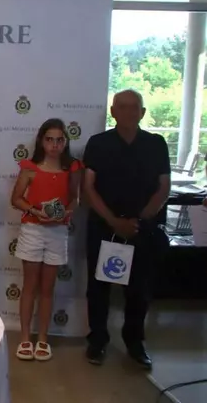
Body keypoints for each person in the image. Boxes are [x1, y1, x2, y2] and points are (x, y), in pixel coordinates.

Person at [82, 89, 170, 369]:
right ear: (113, 111)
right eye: (122, 107)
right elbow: (88, 187)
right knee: (99, 287)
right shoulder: (98, 143)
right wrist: (114, 221)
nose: (129, 112)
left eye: (135, 107)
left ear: (143, 113)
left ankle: (135, 342)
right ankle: (98, 340)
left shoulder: (156, 144)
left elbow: (164, 187)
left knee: (139, 289)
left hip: (142, 228)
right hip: (104, 226)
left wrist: (139, 220)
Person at [10, 118, 82, 362]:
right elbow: (16, 198)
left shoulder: (72, 168)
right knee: (29, 286)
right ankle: (25, 339)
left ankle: (43, 338)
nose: (54, 145)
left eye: (59, 140)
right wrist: (35, 211)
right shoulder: (30, 167)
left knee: (48, 288)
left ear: (65, 142)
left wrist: (66, 212)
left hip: (58, 231)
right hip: (33, 229)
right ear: (42, 141)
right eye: (50, 139)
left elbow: (75, 198)